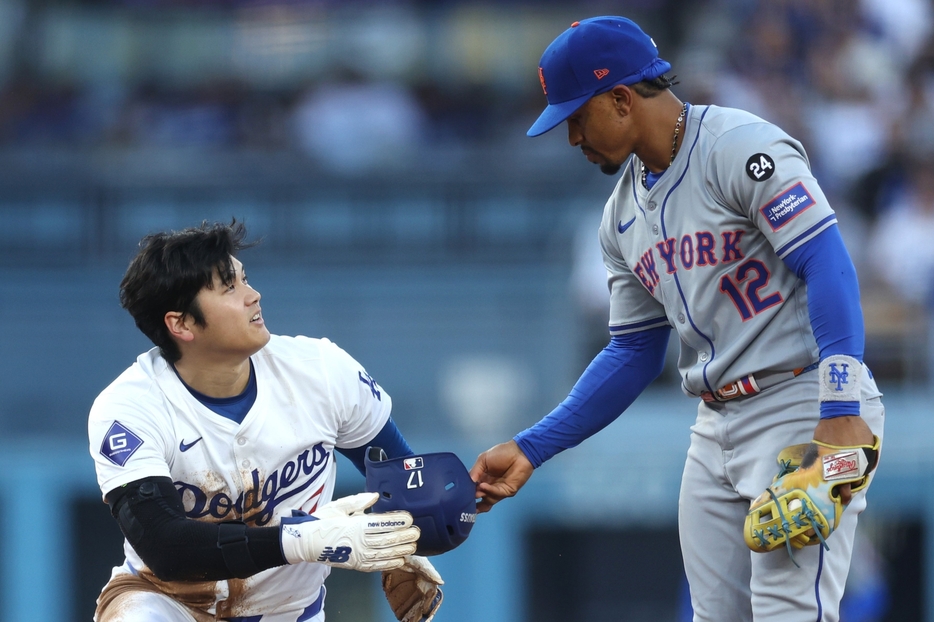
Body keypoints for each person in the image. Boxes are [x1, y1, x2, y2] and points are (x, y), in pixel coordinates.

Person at [469, 16, 885, 622]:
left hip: (798, 400)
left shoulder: (739, 146)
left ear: (620, 99)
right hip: (714, 423)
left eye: (576, 118)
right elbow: (632, 352)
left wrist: (841, 409)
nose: (571, 138)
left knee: (790, 611)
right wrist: (534, 447)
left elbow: (827, 263)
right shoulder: (619, 219)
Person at [88, 220, 444, 622]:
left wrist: (398, 538)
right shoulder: (130, 407)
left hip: (289, 612)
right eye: (229, 287)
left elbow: (405, 484)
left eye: (245, 279)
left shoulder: (322, 371)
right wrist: (306, 540)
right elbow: (165, 545)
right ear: (181, 324)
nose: (253, 295)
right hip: (167, 602)